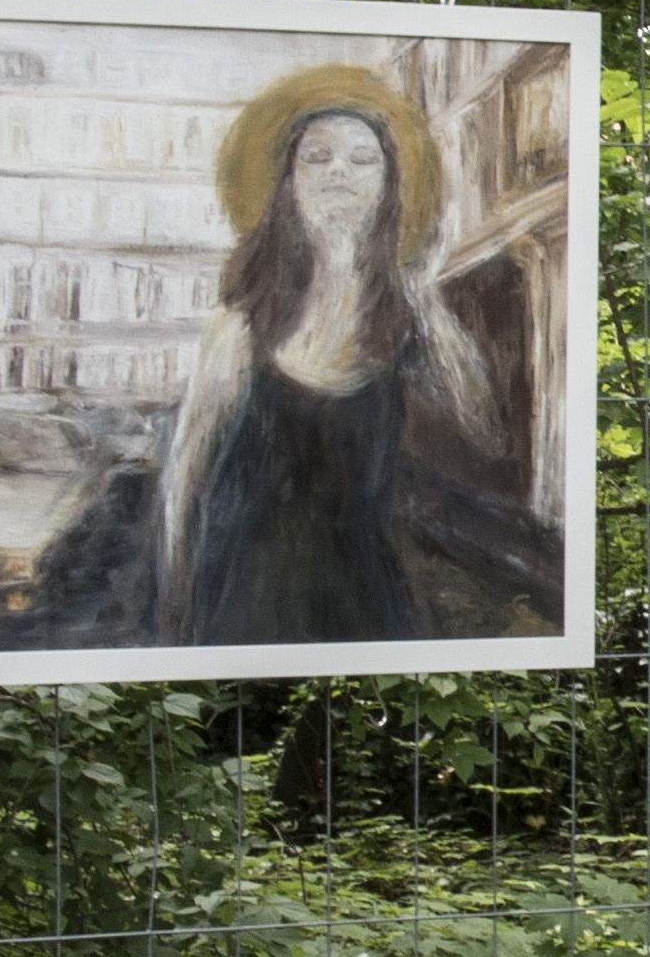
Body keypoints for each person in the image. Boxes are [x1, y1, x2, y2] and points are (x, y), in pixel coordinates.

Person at [152, 66, 556, 644]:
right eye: (316, 158)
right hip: (244, 589)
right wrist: (176, 610)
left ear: (389, 187)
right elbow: (186, 478)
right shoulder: (240, 327)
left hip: (361, 589)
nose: (338, 172)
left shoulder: (409, 315)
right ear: (286, 183)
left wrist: (425, 297)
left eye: (363, 161)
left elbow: (484, 430)